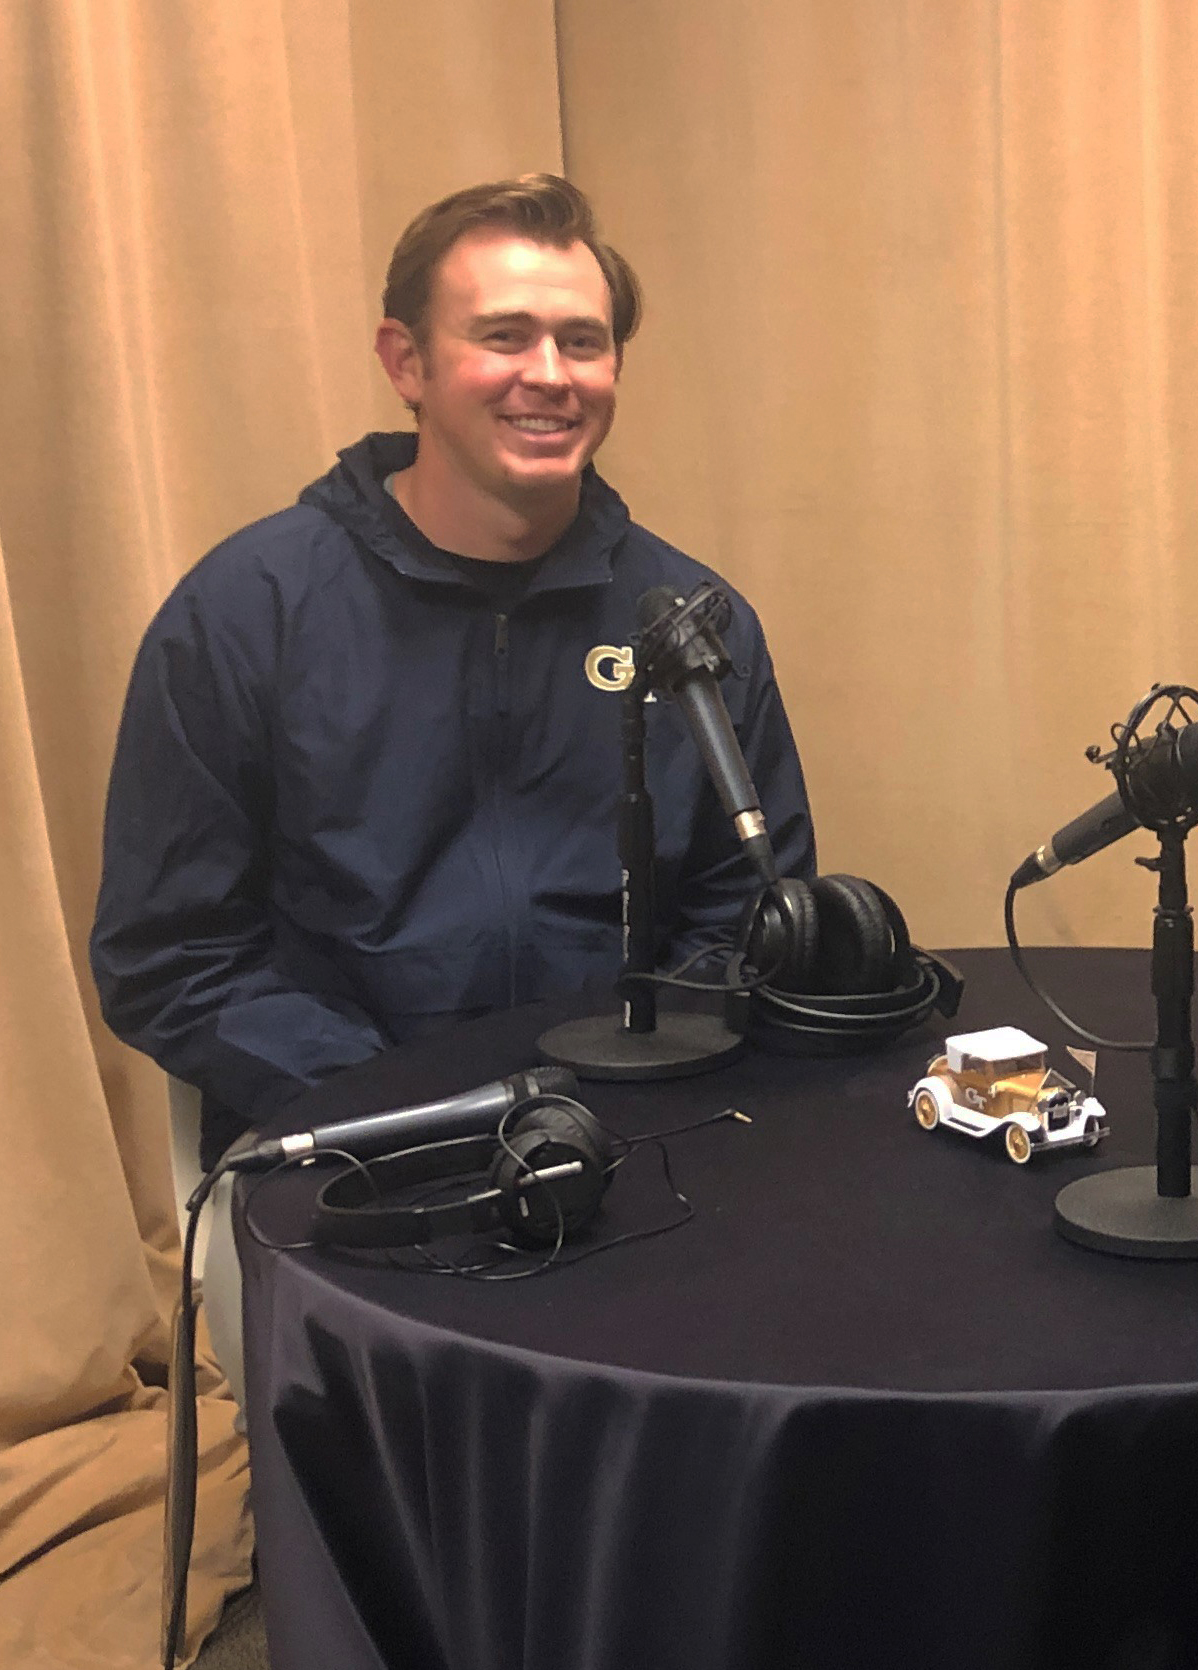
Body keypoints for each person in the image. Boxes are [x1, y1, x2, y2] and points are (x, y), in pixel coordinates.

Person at [93, 174, 814, 1162]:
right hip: (361, 1142)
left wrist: (639, 1066)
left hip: (646, 1131)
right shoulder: (246, 612)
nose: (552, 374)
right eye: (505, 336)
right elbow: (170, 958)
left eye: (583, 341)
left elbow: (749, 911)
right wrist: (414, 1101)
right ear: (408, 362)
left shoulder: (689, 623)